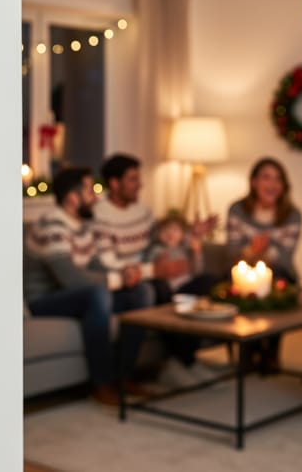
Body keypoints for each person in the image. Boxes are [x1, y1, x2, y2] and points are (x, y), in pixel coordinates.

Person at [24, 167, 156, 406]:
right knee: (98, 294)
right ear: (72, 198)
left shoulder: (84, 225)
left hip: (79, 295)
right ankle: (101, 383)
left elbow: (95, 265)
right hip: (45, 300)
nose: (96, 196)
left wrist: (123, 273)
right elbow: (71, 280)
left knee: (142, 292)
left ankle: (123, 377)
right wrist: (117, 280)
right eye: (90, 190)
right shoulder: (51, 226)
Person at [93, 154, 217, 387]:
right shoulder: (100, 215)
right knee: (155, 290)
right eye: (133, 180)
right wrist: (153, 270)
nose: (140, 185)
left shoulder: (144, 212)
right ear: (114, 183)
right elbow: (108, 262)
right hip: (133, 281)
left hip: (158, 273)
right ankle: (178, 362)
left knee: (207, 282)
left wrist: (193, 235)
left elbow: (166, 240)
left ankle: (187, 361)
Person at [226, 157, 302, 373]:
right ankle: (247, 348)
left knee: (277, 279)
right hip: (244, 269)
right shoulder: (238, 210)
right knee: (232, 283)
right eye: (266, 178)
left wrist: (263, 251)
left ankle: (271, 352)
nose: (272, 184)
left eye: (278, 179)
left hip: (279, 271)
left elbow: (285, 258)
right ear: (253, 182)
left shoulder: (292, 215)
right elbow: (232, 253)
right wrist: (252, 251)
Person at [146, 214, 205, 293]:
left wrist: (197, 252)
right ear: (158, 234)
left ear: (182, 234)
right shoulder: (156, 249)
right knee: (158, 285)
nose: (170, 233)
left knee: (207, 279)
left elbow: (198, 271)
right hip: (167, 288)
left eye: (175, 230)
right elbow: (148, 270)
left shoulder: (185, 249)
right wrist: (158, 264)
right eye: (165, 230)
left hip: (186, 286)